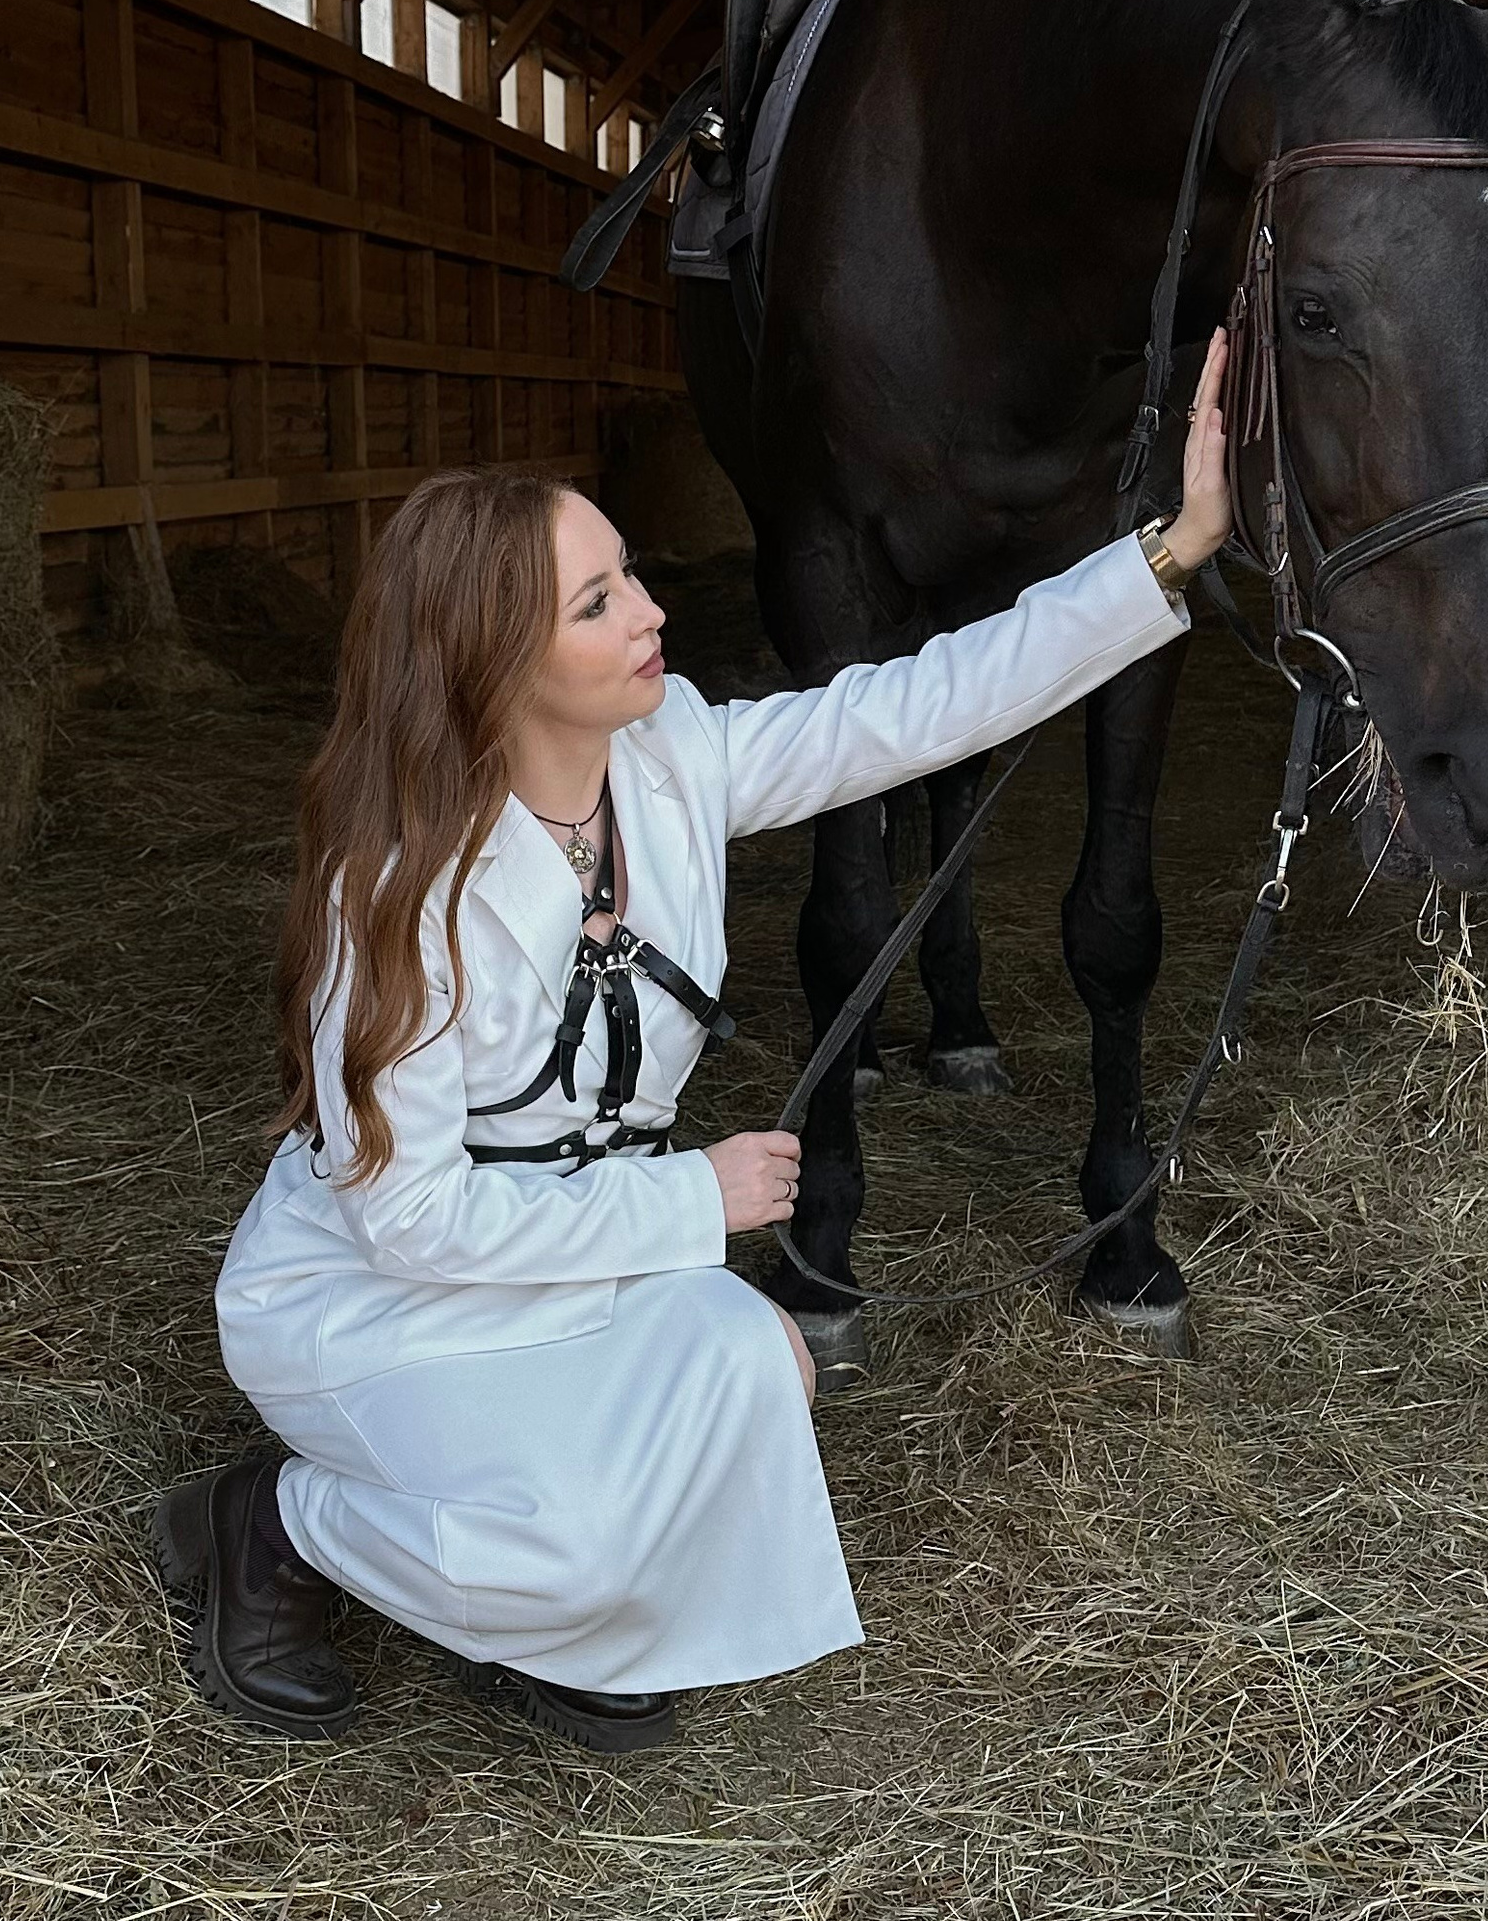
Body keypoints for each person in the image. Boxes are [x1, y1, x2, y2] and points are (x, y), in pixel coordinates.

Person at [155, 336, 1232, 1755]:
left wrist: (1169, 552)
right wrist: (688, 1199)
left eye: (632, 574)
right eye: (599, 601)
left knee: (763, 1370)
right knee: (577, 1545)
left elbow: (921, 703)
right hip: (381, 1297)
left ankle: (549, 1608)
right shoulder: (399, 895)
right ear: (497, 662)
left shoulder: (675, 760)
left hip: (574, 1257)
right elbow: (410, 1221)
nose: (654, 611)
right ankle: (274, 1524)